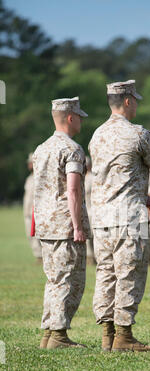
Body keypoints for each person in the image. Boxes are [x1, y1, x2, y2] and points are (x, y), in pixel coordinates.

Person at [89, 80, 150, 352]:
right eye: (135, 99)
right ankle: (124, 336)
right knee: (129, 273)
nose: (137, 104)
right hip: (127, 218)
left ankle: (106, 335)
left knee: (106, 273)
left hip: (101, 219)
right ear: (127, 101)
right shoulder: (139, 134)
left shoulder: (96, 135)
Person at [32, 97, 91, 349]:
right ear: (70, 117)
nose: (81, 121)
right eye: (79, 116)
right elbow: (73, 190)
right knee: (69, 280)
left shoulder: (41, 148)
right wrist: (77, 226)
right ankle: (58, 335)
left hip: (46, 223)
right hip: (65, 224)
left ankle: (48, 333)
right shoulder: (72, 149)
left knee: (54, 279)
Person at [23, 152, 42, 263]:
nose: (29, 165)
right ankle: (37, 255)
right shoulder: (29, 178)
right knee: (29, 235)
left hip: (36, 211)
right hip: (27, 211)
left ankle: (40, 256)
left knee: (37, 235)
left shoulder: (40, 177)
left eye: (31, 163)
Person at [84, 155, 96, 265]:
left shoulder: (93, 178)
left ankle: (95, 257)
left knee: (94, 236)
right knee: (86, 236)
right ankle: (89, 257)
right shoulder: (80, 177)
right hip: (84, 211)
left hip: (93, 211)